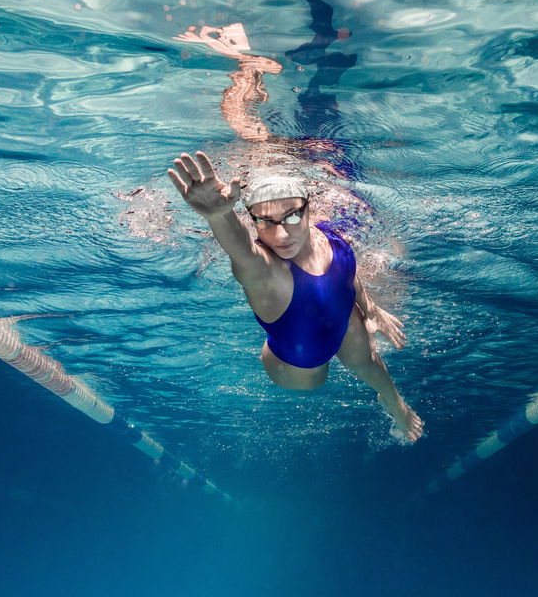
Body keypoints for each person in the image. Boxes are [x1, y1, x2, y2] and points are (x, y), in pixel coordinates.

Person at [166, 152, 424, 442]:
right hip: (295, 364)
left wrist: (371, 308)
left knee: (365, 360)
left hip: (335, 320)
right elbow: (242, 251)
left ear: (309, 211)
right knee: (315, 379)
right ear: (253, 221)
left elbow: (346, 274)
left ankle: (395, 403)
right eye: (265, 221)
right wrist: (219, 215)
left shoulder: (327, 236)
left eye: (292, 216)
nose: (281, 234)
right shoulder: (265, 271)